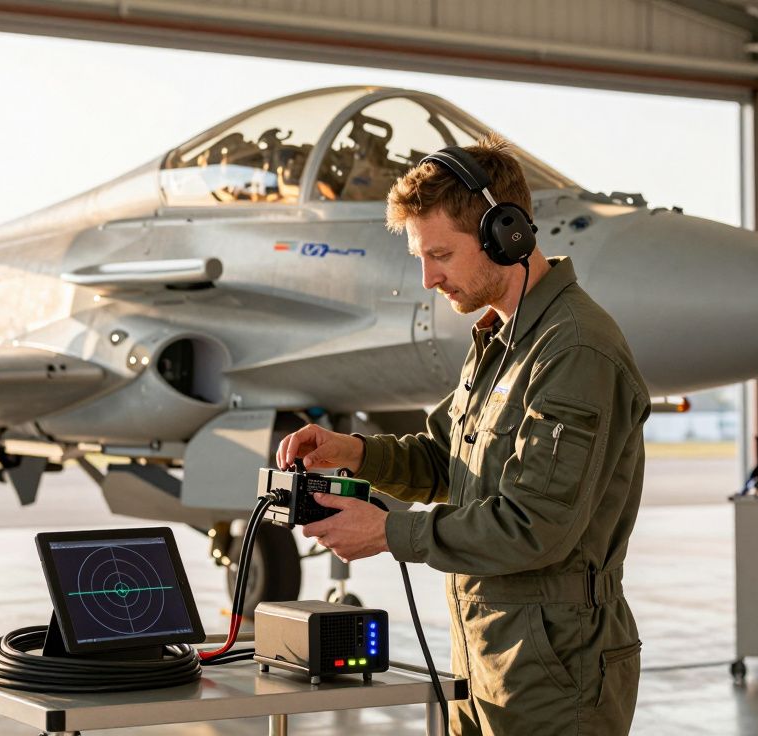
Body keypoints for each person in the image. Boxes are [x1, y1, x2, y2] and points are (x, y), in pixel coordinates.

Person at [275, 134, 650, 735]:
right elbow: (444, 459)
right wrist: (356, 453)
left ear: (507, 233)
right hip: (487, 657)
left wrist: (387, 531)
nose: (427, 279)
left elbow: (537, 527)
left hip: (557, 671)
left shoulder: (574, 350)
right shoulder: (501, 344)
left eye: (441, 255)